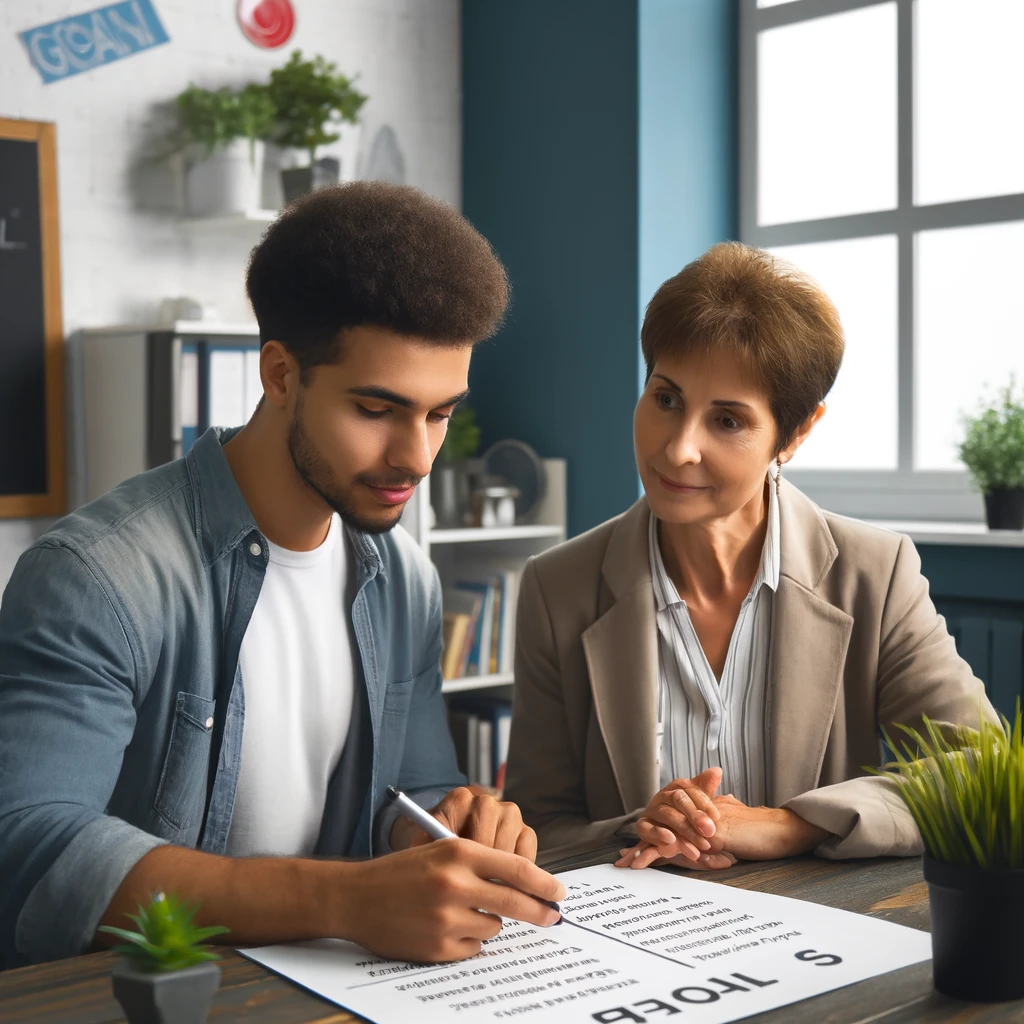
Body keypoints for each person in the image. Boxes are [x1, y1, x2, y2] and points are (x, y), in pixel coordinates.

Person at [0, 182, 563, 971]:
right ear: (281, 375)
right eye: (377, 409)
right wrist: (343, 900)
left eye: (438, 414)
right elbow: (28, 846)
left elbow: (411, 785)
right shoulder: (95, 578)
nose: (417, 457)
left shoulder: (405, 580)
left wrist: (445, 823)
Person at [504, 241, 996, 873]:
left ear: (795, 434)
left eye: (728, 421)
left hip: (822, 941)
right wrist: (641, 826)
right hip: (640, 946)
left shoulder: (876, 574)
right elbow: (537, 828)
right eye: (666, 399)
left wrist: (789, 824)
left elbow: (983, 772)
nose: (679, 448)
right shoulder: (557, 587)